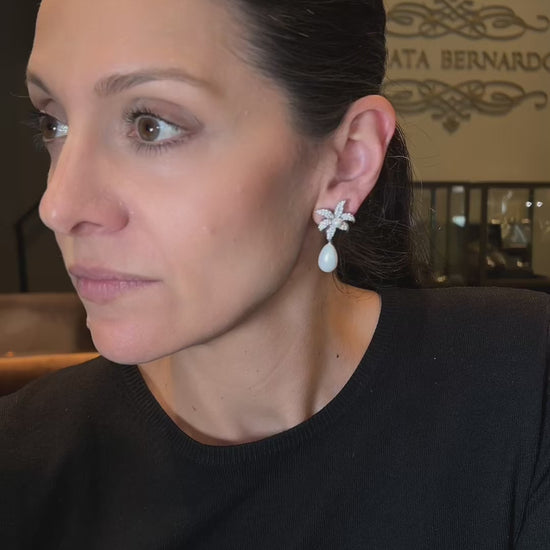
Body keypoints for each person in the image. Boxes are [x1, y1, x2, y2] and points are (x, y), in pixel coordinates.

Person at [1, 0, 548, 548]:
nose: (59, 205)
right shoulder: (23, 462)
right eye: (53, 122)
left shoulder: (523, 387)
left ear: (348, 160)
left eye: (150, 125)